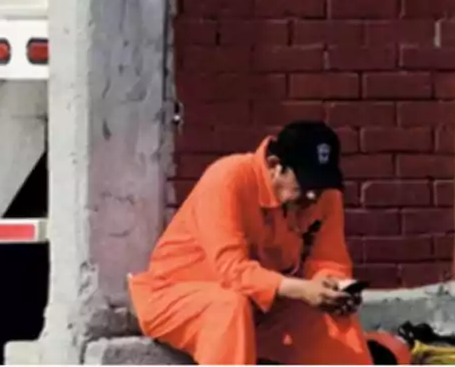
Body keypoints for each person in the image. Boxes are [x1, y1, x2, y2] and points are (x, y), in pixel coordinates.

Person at [128, 120, 373, 365]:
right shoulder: (229, 178)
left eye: (320, 185)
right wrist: (303, 289)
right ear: (275, 166)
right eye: (305, 184)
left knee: (331, 315)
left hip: (261, 306)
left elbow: (330, 258)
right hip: (176, 296)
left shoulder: (325, 195)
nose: (314, 196)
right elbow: (231, 270)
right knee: (230, 305)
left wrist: (330, 285)